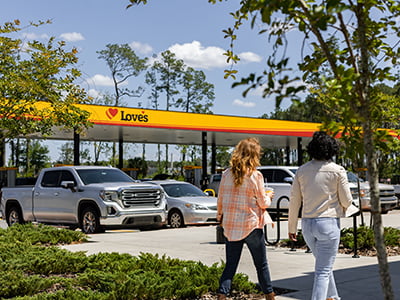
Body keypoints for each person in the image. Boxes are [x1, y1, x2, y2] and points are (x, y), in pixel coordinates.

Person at [288, 131, 353, 300]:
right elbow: (347, 201)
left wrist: (291, 227)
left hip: (307, 225)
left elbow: (294, 201)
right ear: (331, 150)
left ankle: (334, 297)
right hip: (328, 224)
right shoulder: (338, 171)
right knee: (323, 270)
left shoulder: (301, 171)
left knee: (323, 265)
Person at [217, 137, 275, 300]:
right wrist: (269, 196)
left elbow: (220, 199)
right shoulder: (256, 175)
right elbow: (263, 203)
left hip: (231, 226)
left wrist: (219, 217)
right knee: (261, 265)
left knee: (230, 266)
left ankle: (222, 295)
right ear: (254, 155)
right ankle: (269, 296)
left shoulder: (226, 174)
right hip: (251, 225)